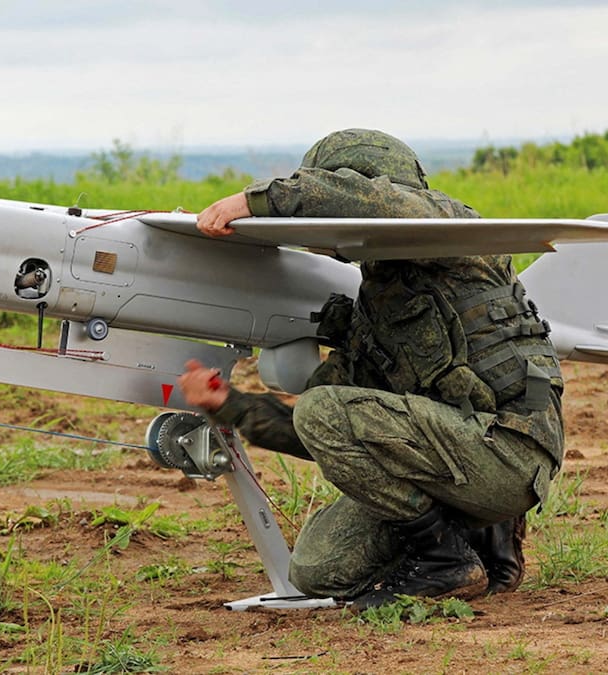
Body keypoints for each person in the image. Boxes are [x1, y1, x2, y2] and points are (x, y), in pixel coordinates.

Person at [178, 129, 565, 609]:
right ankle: (474, 537)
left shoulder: (454, 233)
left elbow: (381, 202)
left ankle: (445, 559)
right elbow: (318, 429)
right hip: (455, 460)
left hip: (509, 454)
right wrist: (229, 405)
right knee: (318, 568)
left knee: (322, 409)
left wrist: (259, 200)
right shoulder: (376, 310)